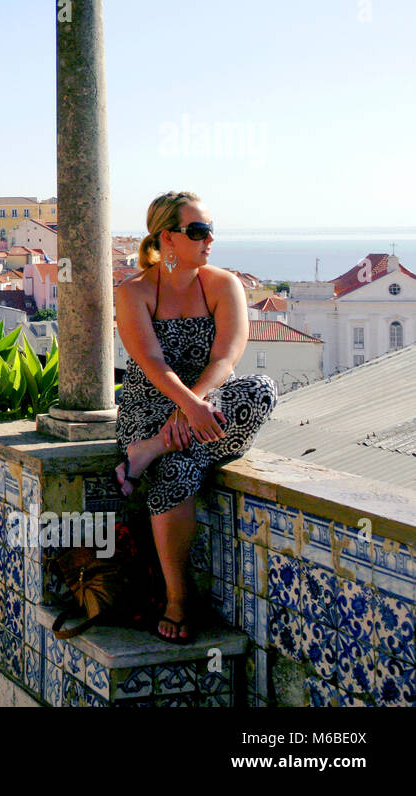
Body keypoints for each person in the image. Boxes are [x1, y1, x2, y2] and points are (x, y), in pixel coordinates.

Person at [113, 191, 277, 645]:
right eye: (198, 231)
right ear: (167, 237)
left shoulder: (224, 285)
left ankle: (152, 452)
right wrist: (185, 407)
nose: (209, 240)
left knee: (261, 390)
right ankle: (178, 601)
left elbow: (227, 357)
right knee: (180, 468)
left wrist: (196, 404)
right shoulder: (134, 292)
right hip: (150, 411)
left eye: (210, 230)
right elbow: (150, 363)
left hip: (206, 413)